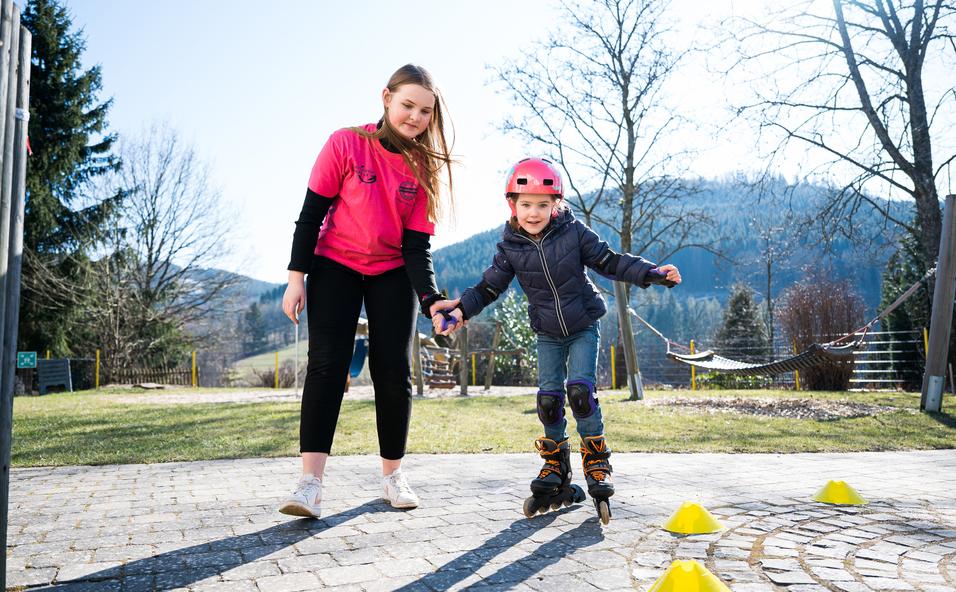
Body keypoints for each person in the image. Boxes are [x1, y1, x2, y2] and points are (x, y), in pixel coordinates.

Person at [443, 157, 680, 523]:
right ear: (512, 206)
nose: (533, 212)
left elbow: (611, 262)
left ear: (557, 205)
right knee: (549, 402)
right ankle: (556, 467)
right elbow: (489, 287)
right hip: (547, 333)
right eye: (525, 204)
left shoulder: (574, 233)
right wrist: (460, 311)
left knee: (580, 392)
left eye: (542, 204)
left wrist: (651, 273)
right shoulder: (510, 247)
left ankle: (597, 462)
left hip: (584, 323)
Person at [279, 64, 458, 518]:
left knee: (393, 372)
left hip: (391, 271)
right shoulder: (345, 142)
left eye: (424, 111)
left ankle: (392, 476)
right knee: (326, 366)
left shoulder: (423, 168)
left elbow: (417, 247)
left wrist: (431, 298)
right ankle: (310, 485)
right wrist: (296, 278)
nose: (415, 117)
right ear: (386, 97)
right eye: (407, 105)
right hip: (334, 264)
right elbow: (310, 215)